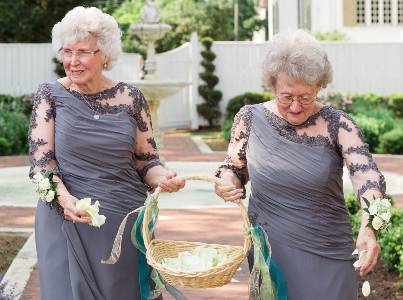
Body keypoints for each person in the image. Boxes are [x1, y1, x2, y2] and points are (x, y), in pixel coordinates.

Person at [214, 30, 385, 300]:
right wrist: (226, 184)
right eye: (286, 97)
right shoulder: (249, 118)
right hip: (270, 251)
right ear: (272, 86)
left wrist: (370, 229)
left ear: (319, 87)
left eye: (306, 97)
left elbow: (371, 181)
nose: (295, 106)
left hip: (328, 252)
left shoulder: (338, 124)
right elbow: (233, 168)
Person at [28, 6, 184, 300]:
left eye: (83, 52)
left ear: (106, 55)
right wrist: (65, 200)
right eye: (67, 52)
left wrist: (163, 177)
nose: (73, 61)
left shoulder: (131, 98)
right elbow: (41, 164)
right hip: (66, 219)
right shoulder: (49, 95)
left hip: (123, 222)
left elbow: (146, 160)